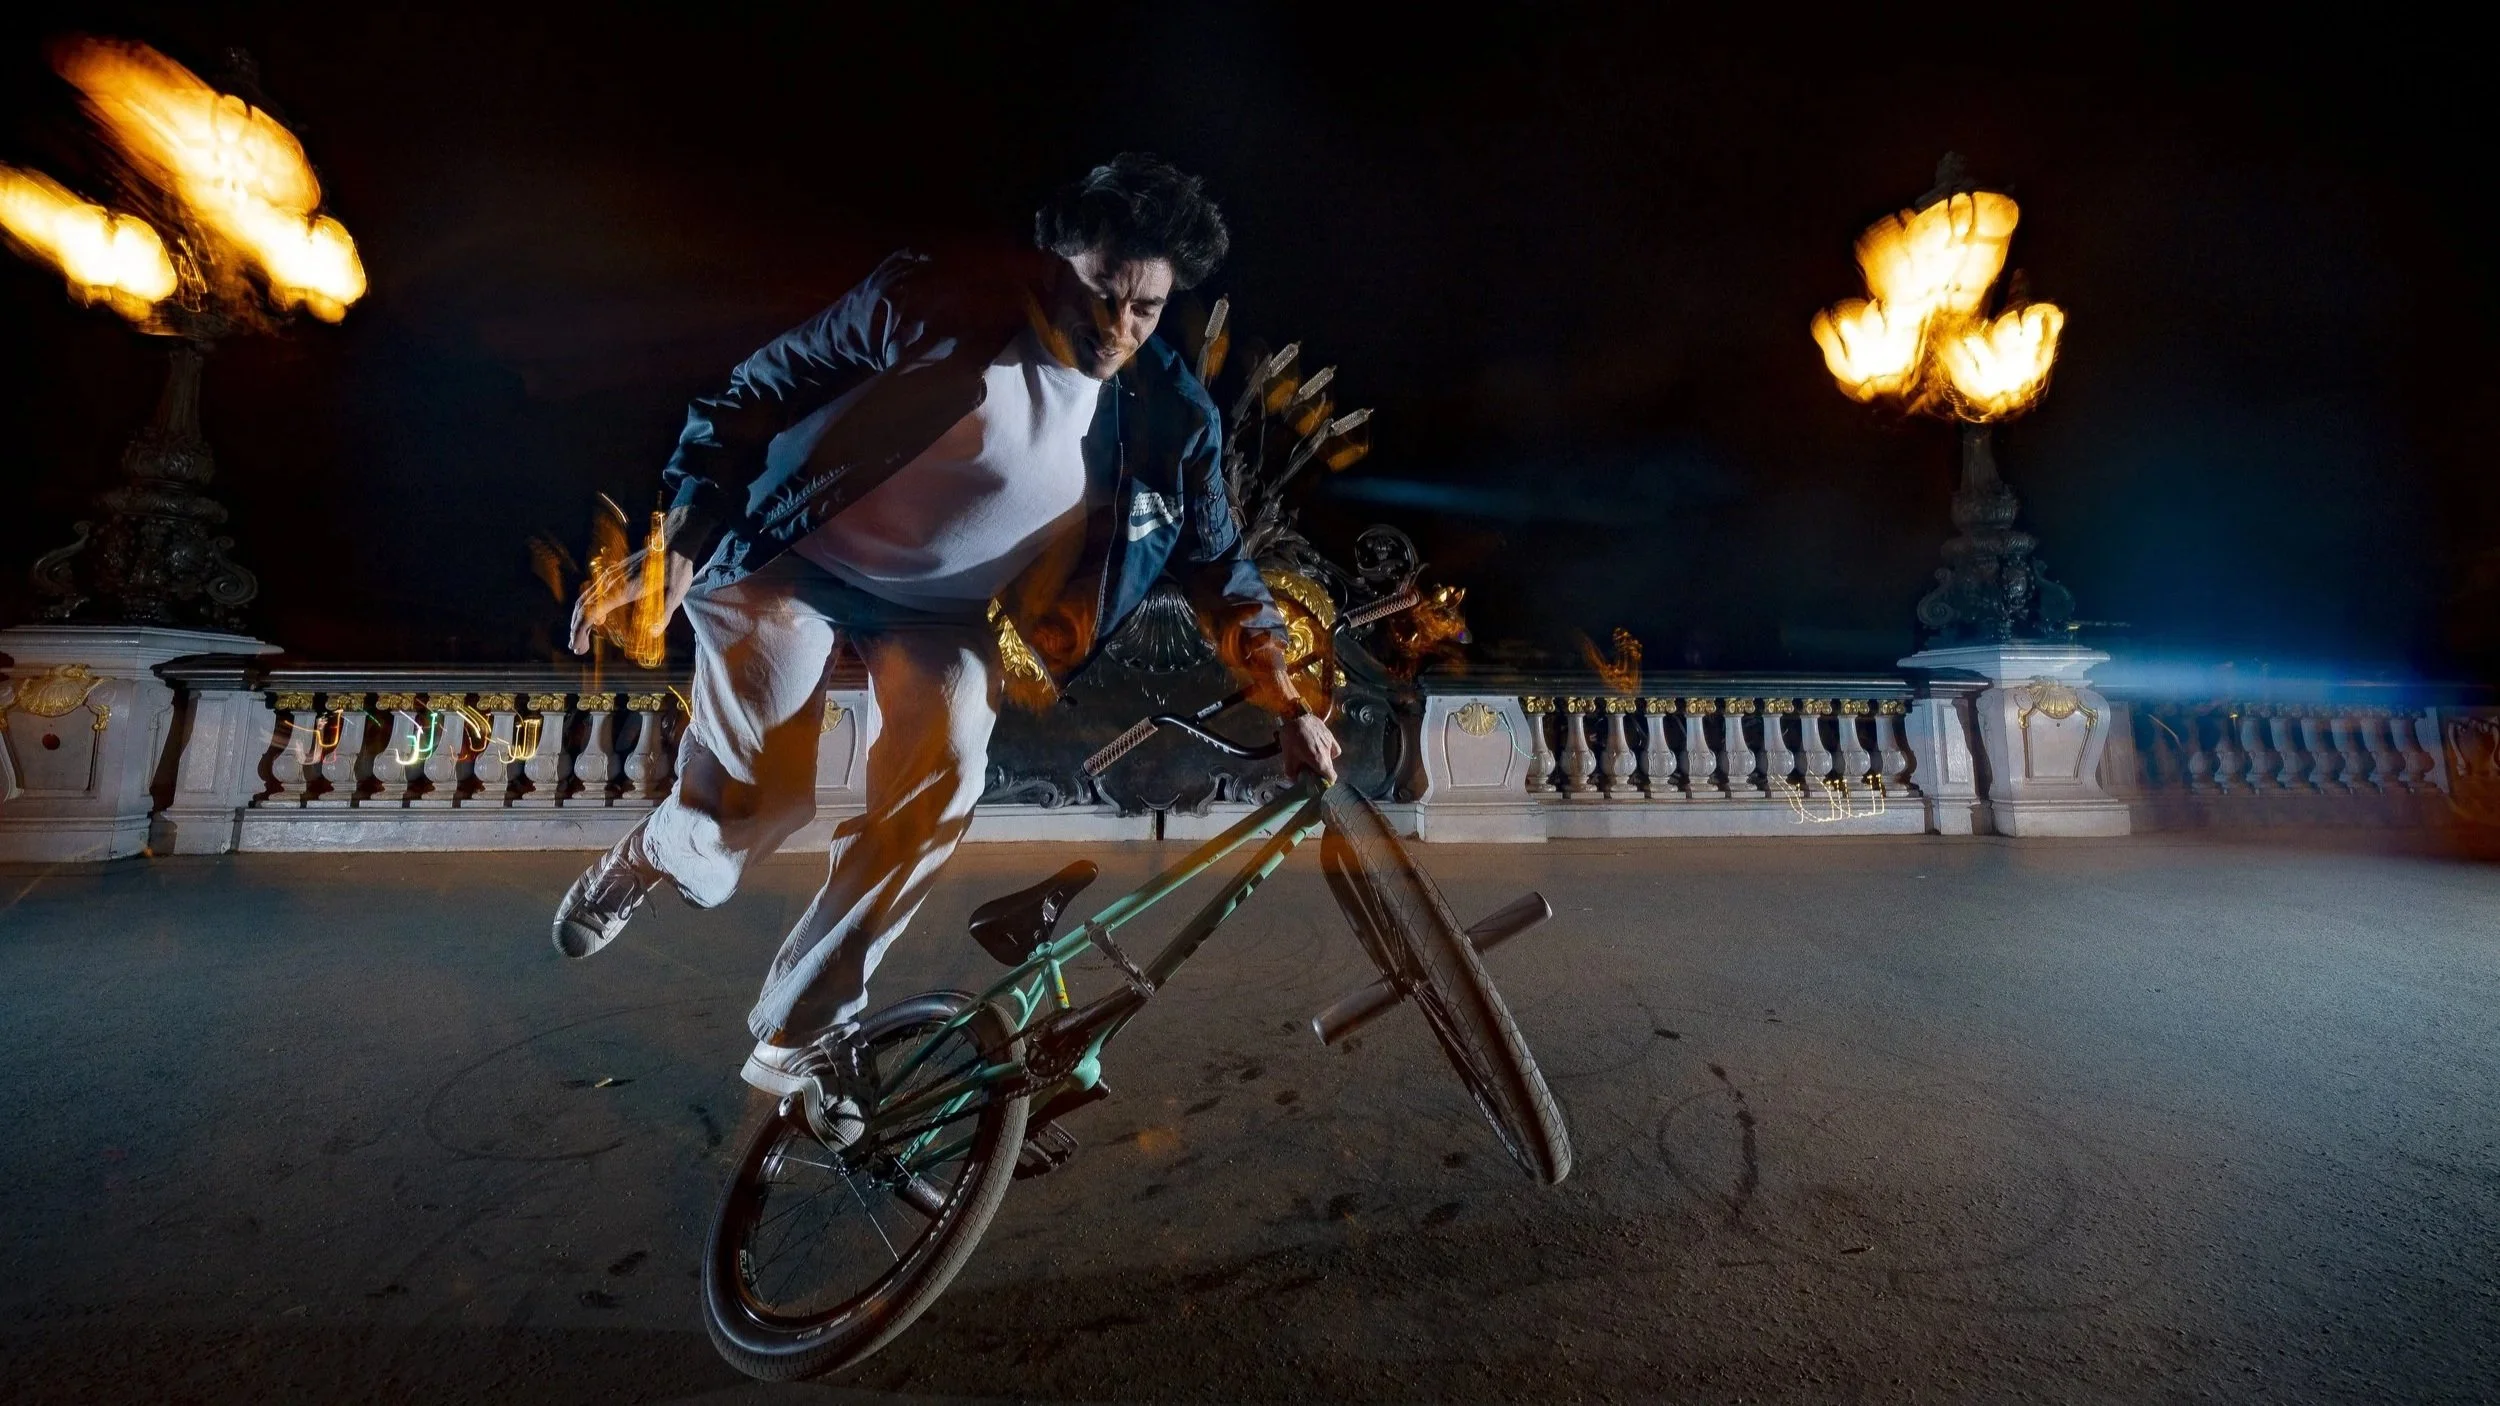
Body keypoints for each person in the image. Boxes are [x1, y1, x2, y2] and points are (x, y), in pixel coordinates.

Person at [555, 154, 1339, 1145]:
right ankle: (656, 853)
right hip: (790, 560)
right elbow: (753, 390)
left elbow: (1221, 569)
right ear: (1052, 258)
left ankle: (801, 1030)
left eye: (1144, 308)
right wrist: (677, 536)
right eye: (1101, 293)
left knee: (944, 779)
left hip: (940, 618)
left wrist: (1289, 700)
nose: (1116, 329)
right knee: (761, 799)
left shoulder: (1171, 418)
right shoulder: (927, 300)